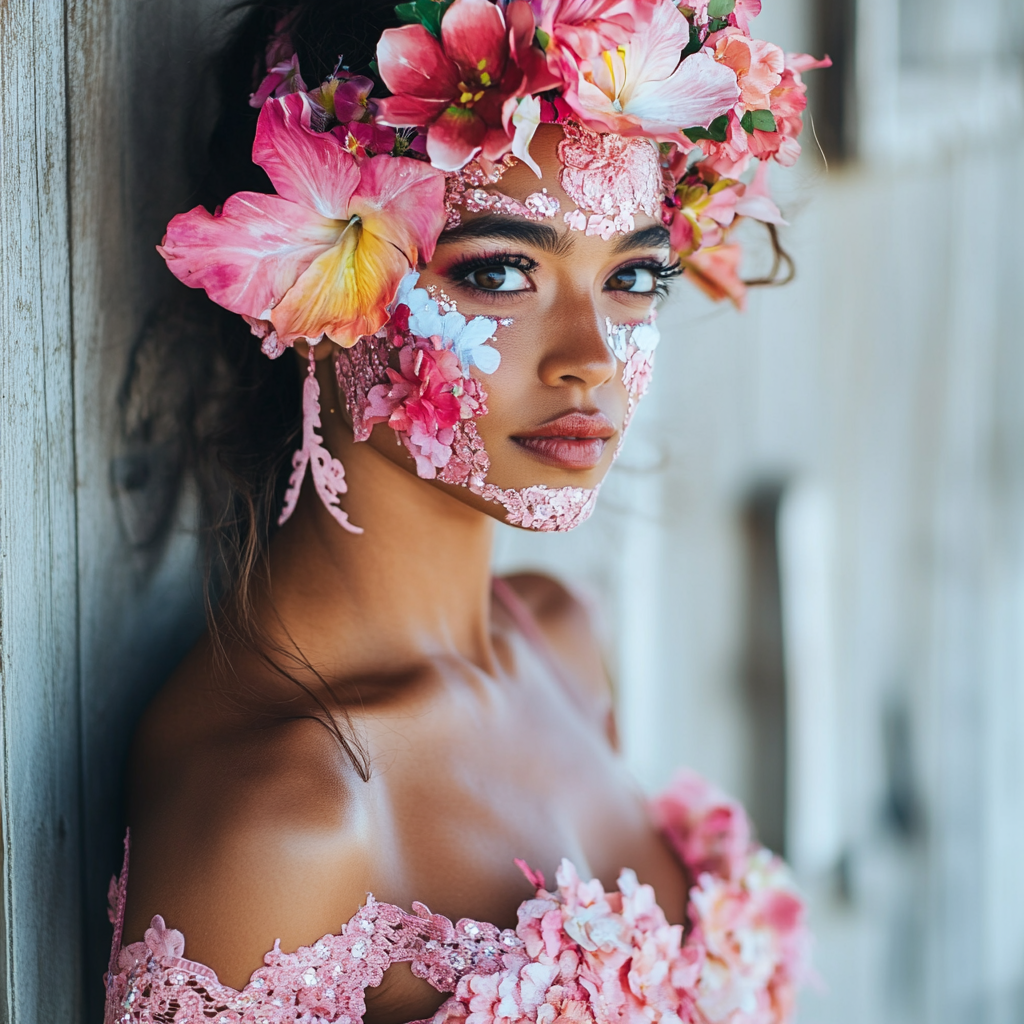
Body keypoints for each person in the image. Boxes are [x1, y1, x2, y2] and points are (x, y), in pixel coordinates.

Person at [104, 2, 827, 1021]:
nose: (587, 355)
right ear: (309, 288)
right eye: (497, 270)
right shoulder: (277, 814)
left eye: (632, 275)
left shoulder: (561, 644)